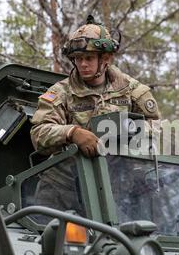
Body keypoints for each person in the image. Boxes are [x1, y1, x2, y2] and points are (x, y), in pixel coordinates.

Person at [30, 15, 161, 158]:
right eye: (78, 59)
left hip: (121, 169)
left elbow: (155, 125)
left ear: (105, 58)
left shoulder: (131, 90)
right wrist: (72, 133)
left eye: (89, 58)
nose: (83, 64)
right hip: (70, 174)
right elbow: (39, 133)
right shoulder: (60, 93)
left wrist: (129, 132)